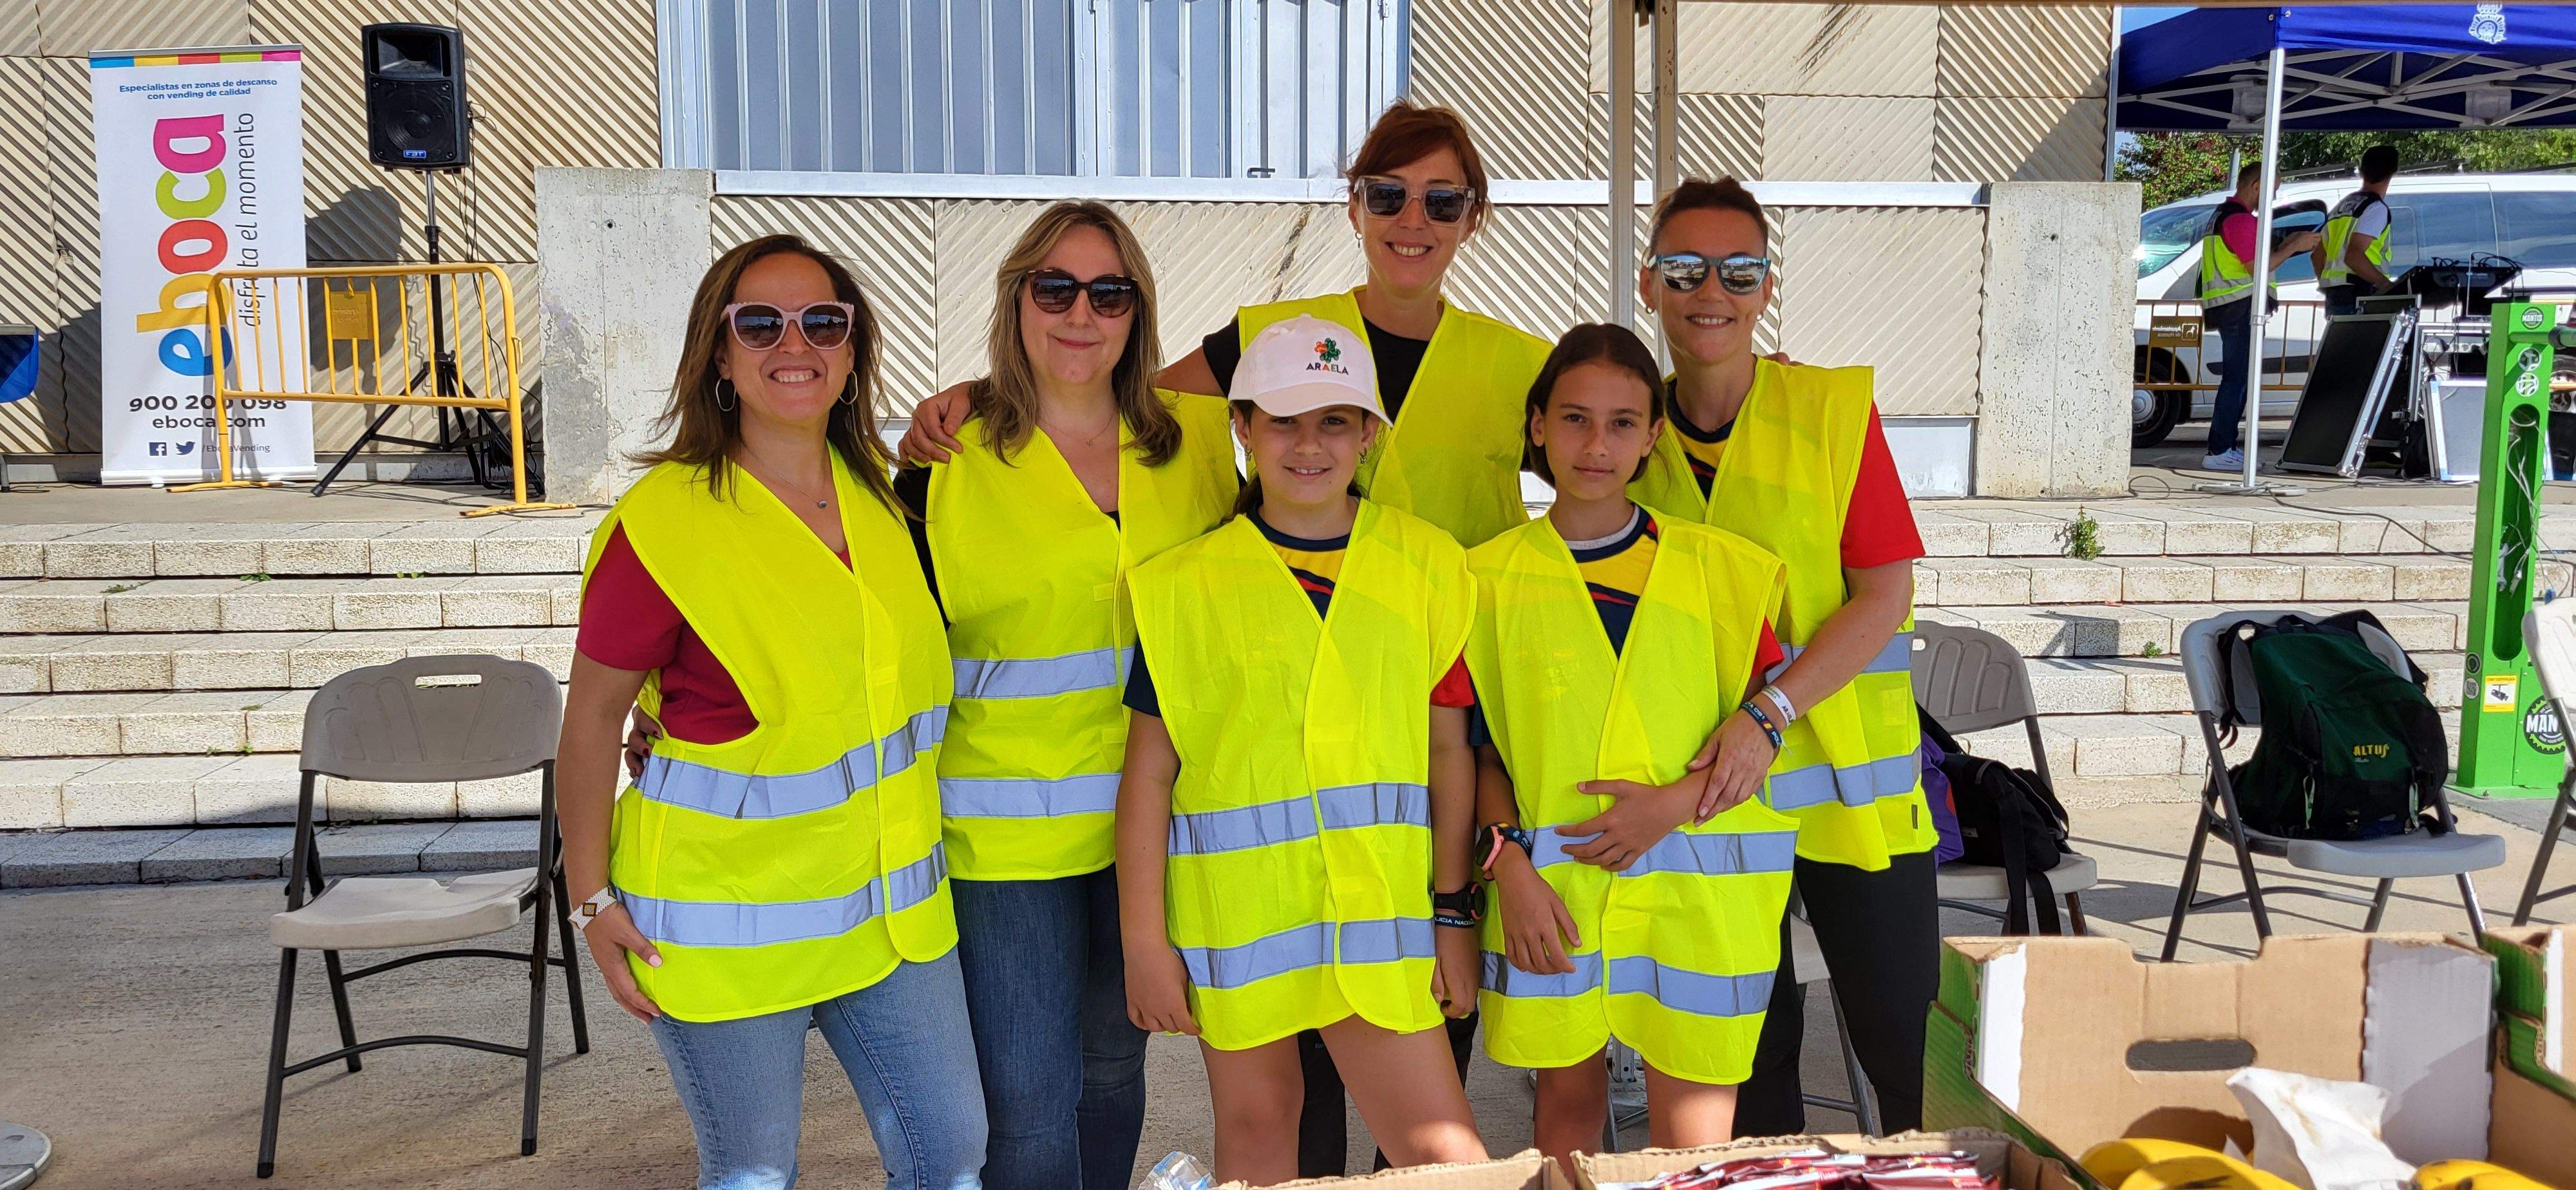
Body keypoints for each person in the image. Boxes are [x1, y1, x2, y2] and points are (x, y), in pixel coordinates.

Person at [558, 234, 986, 1190]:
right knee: (753, 1174)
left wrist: (979, 395)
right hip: (724, 925)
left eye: (821, 322)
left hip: (889, 919)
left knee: (950, 1156)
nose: (794, 343)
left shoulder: (886, 495)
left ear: (852, 349)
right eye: (760, 323)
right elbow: (590, 726)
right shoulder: (662, 524)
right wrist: (592, 901)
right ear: (719, 354)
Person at [896, 202, 1235, 1190]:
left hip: (1155, 824)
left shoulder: (1201, 444)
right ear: (1016, 301)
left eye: (1108, 291)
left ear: (1138, 311)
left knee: (1113, 1068)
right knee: (1030, 1101)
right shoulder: (946, 465)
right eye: (1054, 288)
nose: (1080, 313)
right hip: (1008, 841)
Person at [1115, 316, 1488, 1187]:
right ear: (1241, 429)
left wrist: (1453, 913)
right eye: (1283, 421)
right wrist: (1144, 944)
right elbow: (1150, 776)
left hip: (1378, 926)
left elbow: (1447, 754)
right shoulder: (1184, 585)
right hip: (1241, 923)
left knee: (1446, 1157)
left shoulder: (1426, 567)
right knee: (1259, 1133)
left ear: (1370, 432)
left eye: (1334, 420)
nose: (1309, 444)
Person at [1623, 178, 1934, 1137]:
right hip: (1713, 800)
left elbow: (1885, 594)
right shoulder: (1625, 437)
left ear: (1765, 286)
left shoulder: (1832, 413)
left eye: (1737, 269)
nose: (1709, 290)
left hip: (1851, 792)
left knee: (1906, 1042)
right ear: (1649, 285)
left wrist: (1769, 715)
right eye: (1684, 269)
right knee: (1750, 1060)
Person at [903, 101, 1552, 555]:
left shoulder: (1527, 368)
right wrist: (983, 396)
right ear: (1354, 208)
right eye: (1387, 195)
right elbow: (1115, 395)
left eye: (1442, 202)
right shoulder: (1269, 339)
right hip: (1296, 651)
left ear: (1472, 219)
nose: (1413, 221)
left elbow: (1602, 484)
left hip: (1460, 681)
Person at [1467, 322, 1797, 1160]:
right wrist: (1507, 866)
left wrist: (1670, 809)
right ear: (1537, 425)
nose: (1595, 444)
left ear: (1653, 434)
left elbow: (1760, 738)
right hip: (1553, 897)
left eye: (1622, 423)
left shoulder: (1725, 571)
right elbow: (1475, 751)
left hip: (1699, 904)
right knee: (1565, 1126)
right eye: (1575, 418)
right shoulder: (1482, 581)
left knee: (1691, 1152)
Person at [2199, 163, 2323, 473]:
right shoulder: (2239, 220)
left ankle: (2225, 447)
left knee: (2239, 380)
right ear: (2256, 187)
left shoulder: (2223, 216)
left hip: (2231, 307)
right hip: (2240, 308)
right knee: (2238, 381)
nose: (2274, 197)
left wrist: (2284, 245)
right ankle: (2220, 449)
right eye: (2273, 190)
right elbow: (2257, 268)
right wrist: (2293, 246)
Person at [2314, 144, 2399, 317]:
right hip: (2361, 294)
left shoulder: (2343, 206)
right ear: (2393, 172)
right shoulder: (2376, 209)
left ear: (2362, 171)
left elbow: (2316, 255)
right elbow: (2354, 257)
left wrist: (2332, 283)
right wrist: (2387, 287)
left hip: (2336, 297)